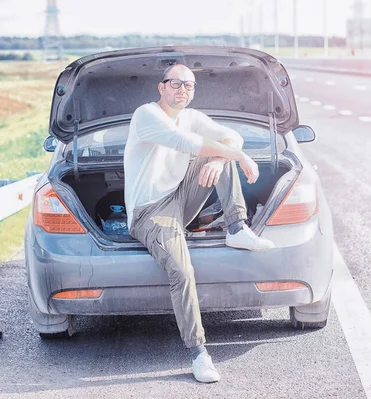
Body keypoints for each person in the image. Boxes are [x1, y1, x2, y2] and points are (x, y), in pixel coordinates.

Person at [123, 64, 275, 383]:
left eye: (190, 86)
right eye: (176, 84)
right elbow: (186, 144)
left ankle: (236, 228)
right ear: (161, 88)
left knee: (222, 153)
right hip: (150, 211)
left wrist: (222, 160)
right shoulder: (146, 115)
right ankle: (198, 352)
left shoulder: (192, 117)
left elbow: (230, 136)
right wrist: (240, 157)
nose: (183, 90)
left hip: (180, 197)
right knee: (182, 270)